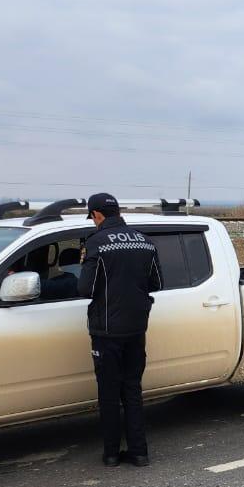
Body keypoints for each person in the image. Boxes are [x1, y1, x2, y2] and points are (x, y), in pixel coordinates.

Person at [77, 193, 163, 467]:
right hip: (137, 329)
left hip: (106, 332)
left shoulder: (96, 243)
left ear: (97, 215)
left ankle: (112, 453)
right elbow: (157, 283)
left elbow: (85, 289)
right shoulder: (145, 242)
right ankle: (139, 452)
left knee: (109, 393)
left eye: (92, 217)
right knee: (133, 390)